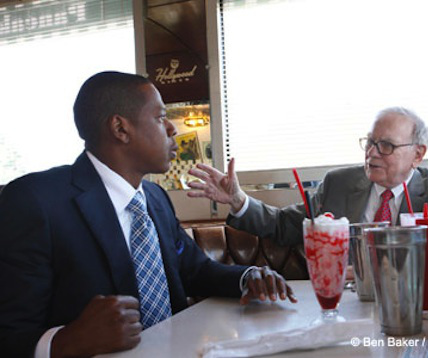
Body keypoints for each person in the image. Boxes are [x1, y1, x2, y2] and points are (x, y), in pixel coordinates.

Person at [0, 71, 297, 358]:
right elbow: (11, 334)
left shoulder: (155, 198)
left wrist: (248, 277)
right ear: (120, 129)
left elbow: (194, 271)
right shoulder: (35, 201)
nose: (173, 129)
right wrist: (68, 340)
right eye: (160, 117)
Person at [188, 107, 428, 244]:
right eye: (370, 142)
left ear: (418, 154)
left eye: (387, 146)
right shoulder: (339, 184)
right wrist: (238, 200)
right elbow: (286, 225)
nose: (372, 153)